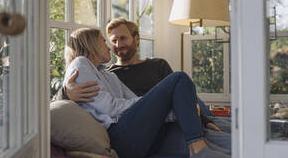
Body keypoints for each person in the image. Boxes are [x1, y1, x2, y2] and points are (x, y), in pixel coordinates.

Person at [63, 28, 231, 158]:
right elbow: (111, 107)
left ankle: (234, 153)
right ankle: (199, 150)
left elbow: (134, 100)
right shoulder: (80, 64)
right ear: (91, 43)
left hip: (136, 135)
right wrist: (161, 105)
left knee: (195, 130)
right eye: (104, 41)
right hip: (119, 138)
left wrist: (173, 112)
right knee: (179, 78)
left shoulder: (108, 75)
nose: (109, 47)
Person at [54, 18, 231, 134]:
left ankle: (211, 123)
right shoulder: (107, 73)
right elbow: (57, 105)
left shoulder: (157, 65)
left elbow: (184, 96)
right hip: (148, 124)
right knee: (180, 81)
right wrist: (65, 93)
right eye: (112, 41)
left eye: (122, 38)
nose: (116, 45)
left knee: (217, 122)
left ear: (136, 39)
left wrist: (203, 119)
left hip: (172, 115)